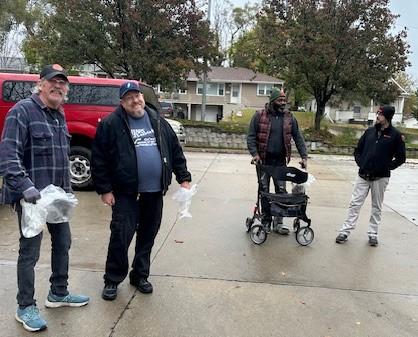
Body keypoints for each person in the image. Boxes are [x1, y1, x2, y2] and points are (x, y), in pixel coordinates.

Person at [0, 64, 89, 332]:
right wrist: (25, 186)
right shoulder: (22, 112)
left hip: (57, 196)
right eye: (53, 82)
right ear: (40, 84)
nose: (58, 87)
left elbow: (62, 159)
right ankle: (25, 306)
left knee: (63, 242)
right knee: (30, 251)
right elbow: (8, 155)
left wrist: (68, 193)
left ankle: (58, 292)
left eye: (63, 83)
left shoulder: (59, 115)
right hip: (32, 199)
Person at [91, 81, 191, 301]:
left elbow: (174, 150)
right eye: (129, 98)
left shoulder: (157, 120)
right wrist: (105, 189)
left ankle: (140, 275)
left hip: (154, 193)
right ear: (122, 102)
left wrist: (184, 177)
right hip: (125, 193)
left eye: (137, 96)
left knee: (147, 236)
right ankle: (112, 279)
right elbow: (99, 158)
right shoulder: (111, 124)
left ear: (142, 97)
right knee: (121, 236)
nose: (135, 101)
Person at [335, 105, 406, 246]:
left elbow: (401, 158)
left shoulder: (395, 136)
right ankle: (345, 231)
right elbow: (358, 150)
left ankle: (373, 234)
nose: (377, 116)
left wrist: (387, 167)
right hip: (363, 176)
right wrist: (361, 163)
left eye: (380, 114)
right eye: (377, 113)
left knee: (376, 207)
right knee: (354, 204)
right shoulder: (369, 132)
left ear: (387, 117)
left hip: (380, 178)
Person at [247, 87, 308, 234]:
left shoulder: (289, 118)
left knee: (281, 191)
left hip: (280, 163)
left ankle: (278, 223)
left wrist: (304, 156)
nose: (283, 103)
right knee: (264, 192)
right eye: (280, 100)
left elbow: (298, 137)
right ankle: (266, 221)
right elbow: (251, 137)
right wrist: (255, 154)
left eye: (284, 100)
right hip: (263, 163)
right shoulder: (259, 116)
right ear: (272, 101)